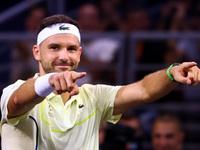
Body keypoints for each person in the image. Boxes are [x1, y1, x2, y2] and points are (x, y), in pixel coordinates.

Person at [0, 14, 199, 150]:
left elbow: (144, 90)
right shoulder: (15, 91)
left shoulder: (95, 96)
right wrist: (49, 81)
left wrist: (171, 72)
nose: (64, 56)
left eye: (71, 49)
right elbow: (18, 101)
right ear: (37, 52)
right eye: (54, 47)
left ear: (79, 53)